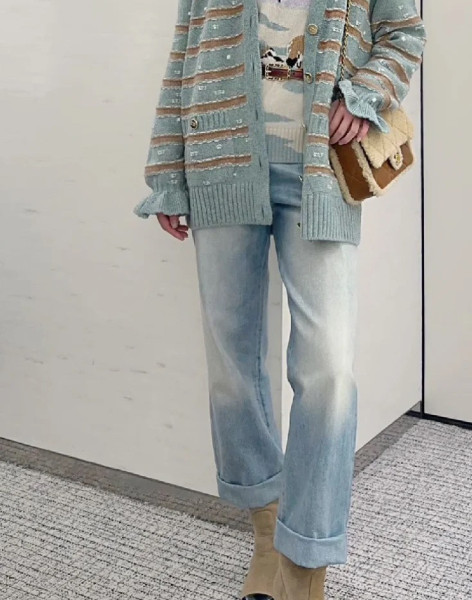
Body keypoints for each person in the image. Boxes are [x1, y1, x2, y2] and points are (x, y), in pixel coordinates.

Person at [133, 0, 426, 598]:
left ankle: (305, 563)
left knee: (328, 371)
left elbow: (404, 32)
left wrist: (365, 94)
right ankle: (267, 533)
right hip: (220, 160)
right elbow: (185, 50)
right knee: (231, 367)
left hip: (318, 169)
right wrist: (167, 171)